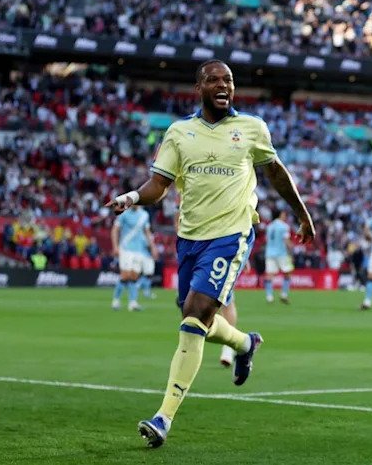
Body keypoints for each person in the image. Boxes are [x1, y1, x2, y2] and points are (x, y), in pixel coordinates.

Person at [105, 60, 315, 448]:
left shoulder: (252, 128)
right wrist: (131, 198)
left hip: (232, 234)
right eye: (214, 80)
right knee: (194, 314)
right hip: (190, 238)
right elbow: (158, 184)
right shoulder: (180, 132)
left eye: (229, 80)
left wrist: (302, 214)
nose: (223, 85)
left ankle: (163, 417)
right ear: (198, 87)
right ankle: (244, 344)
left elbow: (276, 172)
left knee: (196, 313)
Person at [110, 205, 157, 312]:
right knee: (125, 275)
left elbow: (147, 232)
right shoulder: (123, 213)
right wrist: (115, 246)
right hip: (126, 248)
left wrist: (153, 247)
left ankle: (132, 303)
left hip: (139, 250)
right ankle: (115, 300)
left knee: (134, 276)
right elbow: (115, 230)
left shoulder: (144, 215)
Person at [264, 209, 294, 304]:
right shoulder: (284, 226)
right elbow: (286, 240)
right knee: (287, 273)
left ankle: (269, 296)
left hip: (269, 253)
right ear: (280, 215)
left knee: (269, 275)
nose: (285, 216)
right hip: (281, 253)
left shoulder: (269, 226)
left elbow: (267, 240)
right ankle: (284, 294)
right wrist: (291, 249)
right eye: (284, 214)